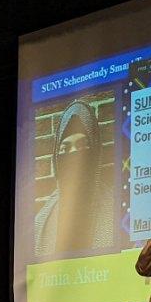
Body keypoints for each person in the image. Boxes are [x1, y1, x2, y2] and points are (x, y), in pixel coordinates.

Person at [33, 99, 114, 256]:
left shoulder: (116, 209)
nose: (74, 155)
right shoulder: (41, 222)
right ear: (56, 157)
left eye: (83, 145)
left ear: (95, 150)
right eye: (65, 148)